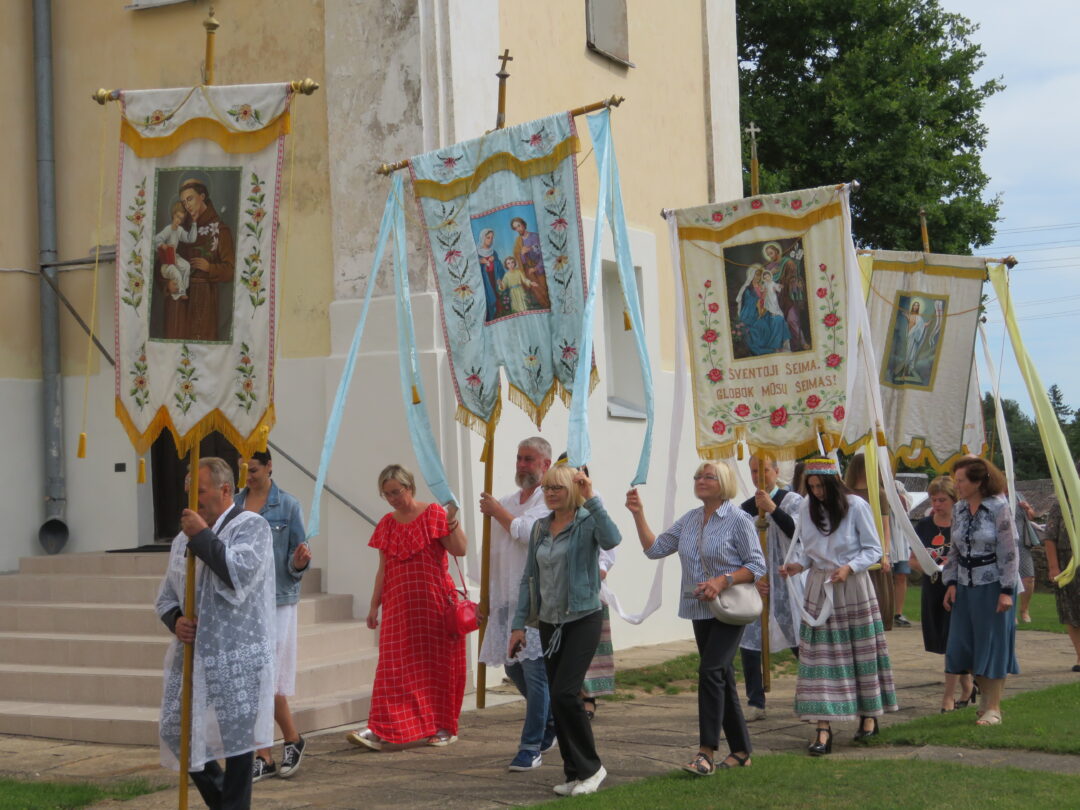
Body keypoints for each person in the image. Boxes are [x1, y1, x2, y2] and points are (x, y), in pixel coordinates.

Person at [625, 462, 765, 776]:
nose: (700, 480)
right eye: (697, 476)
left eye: (708, 476)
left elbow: (757, 566)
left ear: (724, 482)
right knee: (721, 676)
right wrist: (638, 513)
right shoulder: (689, 519)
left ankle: (706, 753)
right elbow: (655, 549)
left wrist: (722, 580)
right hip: (699, 608)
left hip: (730, 608)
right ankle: (741, 751)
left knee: (710, 671)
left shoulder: (739, 520)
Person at [155, 457, 275, 810]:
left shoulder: (251, 526)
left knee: (238, 745)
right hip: (194, 652)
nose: (193, 500)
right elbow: (166, 596)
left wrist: (203, 536)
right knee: (176, 728)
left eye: (200, 491)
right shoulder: (183, 538)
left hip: (237, 651)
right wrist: (176, 619)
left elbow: (238, 574)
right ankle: (224, 802)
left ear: (225, 490)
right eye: (189, 492)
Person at [508, 465, 620, 797]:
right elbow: (529, 578)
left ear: (572, 489)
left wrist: (591, 496)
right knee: (559, 700)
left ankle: (592, 768)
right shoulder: (541, 527)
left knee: (564, 693)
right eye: (547, 488)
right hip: (549, 621)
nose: (551, 493)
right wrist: (518, 625)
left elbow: (612, 539)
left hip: (583, 617)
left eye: (557, 487)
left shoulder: (588, 520)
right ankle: (574, 772)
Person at [780, 457, 898, 755]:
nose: (816, 492)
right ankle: (823, 728)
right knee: (819, 658)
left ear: (833, 483)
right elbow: (810, 551)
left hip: (852, 587)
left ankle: (868, 715)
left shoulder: (856, 505)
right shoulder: (807, 507)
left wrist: (849, 567)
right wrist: (798, 565)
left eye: (821, 486)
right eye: (811, 486)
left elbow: (873, 548)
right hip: (820, 587)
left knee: (859, 651)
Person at [347, 465, 468, 750]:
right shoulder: (387, 524)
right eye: (387, 494)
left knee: (437, 666)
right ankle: (381, 728)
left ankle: (443, 726)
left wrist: (452, 521)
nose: (393, 499)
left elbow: (460, 550)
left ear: (409, 487)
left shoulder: (433, 513)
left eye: (396, 492)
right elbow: (383, 569)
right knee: (391, 668)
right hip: (398, 608)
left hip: (434, 604)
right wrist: (374, 605)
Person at [477, 437, 557, 771]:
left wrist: (497, 512)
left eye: (529, 459)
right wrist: (486, 597)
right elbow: (493, 552)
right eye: (519, 458)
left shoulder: (548, 500)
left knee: (535, 671)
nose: (522, 465)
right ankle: (551, 720)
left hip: (534, 598)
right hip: (505, 598)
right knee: (512, 667)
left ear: (545, 465)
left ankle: (530, 746)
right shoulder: (509, 500)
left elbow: (527, 532)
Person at [235, 450, 312, 782]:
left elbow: (298, 557)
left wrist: (299, 561)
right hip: (245, 601)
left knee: (267, 676)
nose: (248, 476)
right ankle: (288, 741)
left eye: (253, 469)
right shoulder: (235, 504)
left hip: (278, 600)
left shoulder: (288, 505)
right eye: (244, 470)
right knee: (258, 677)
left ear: (269, 466)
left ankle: (265, 753)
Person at [943, 457, 1020, 726]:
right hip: (965, 585)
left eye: (961, 480)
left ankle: (993, 707)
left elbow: (1009, 551)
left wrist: (1007, 590)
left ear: (978, 482)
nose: (956, 485)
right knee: (964, 645)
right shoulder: (959, 508)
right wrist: (951, 583)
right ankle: (986, 700)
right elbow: (954, 549)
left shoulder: (999, 507)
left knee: (992, 644)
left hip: (993, 585)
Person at [738, 455, 802, 721]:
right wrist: (752, 577)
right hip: (758, 581)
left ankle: (811, 691)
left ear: (776, 471)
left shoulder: (793, 501)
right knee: (750, 639)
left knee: (797, 634)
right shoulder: (745, 508)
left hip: (787, 577)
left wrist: (773, 509)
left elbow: (798, 532)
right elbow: (739, 546)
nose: (758, 476)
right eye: (754, 471)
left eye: (763, 470)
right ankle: (756, 700)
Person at [912, 475, 975, 712]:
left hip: (958, 589)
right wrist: (930, 566)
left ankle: (948, 698)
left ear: (954, 499)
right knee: (945, 642)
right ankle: (968, 686)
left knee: (953, 642)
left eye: (942, 500)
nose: (937, 504)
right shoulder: (924, 525)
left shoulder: (963, 523)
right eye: (933, 500)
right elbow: (912, 560)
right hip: (933, 587)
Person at [161, 178, 235, 341]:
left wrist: (210, 268)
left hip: (203, 301)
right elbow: (163, 263)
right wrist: (168, 284)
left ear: (202, 196)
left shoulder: (220, 230)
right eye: (184, 202)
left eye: (190, 198)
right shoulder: (179, 228)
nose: (187, 205)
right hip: (177, 305)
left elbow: (230, 270)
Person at [843, 453, 896, 629]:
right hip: (852, 552)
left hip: (873, 551)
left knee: (877, 595)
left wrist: (885, 554)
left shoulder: (879, 494)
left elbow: (885, 527)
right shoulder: (845, 494)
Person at [1043, 460, 1080, 671]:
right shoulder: (1061, 506)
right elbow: (1050, 537)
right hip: (1068, 564)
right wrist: (1053, 567)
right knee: (1071, 611)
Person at [734, 264, 790, 356]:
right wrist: (760, 302)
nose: (758, 277)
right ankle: (771, 348)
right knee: (763, 326)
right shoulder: (748, 289)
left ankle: (778, 346)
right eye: (756, 275)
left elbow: (771, 290)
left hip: (765, 312)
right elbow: (749, 304)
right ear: (751, 275)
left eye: (760, 275)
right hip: (752, 315)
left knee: (779, 320)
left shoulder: (763, 285)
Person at [763, 242, 806, 351]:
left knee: (792, 320)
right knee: (781, 324)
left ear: (777, 251)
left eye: (771, 253)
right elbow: (765, 284)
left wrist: (793, 283)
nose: (770, 256)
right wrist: (771, 273)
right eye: (768, 254)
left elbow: (795, 276)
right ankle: (787, 347)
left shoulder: (787, 262)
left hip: (788, 296)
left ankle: (802, 342)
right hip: (776, 300)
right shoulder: (769, 267)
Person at [153, 201, 197, 300]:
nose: (178, 220)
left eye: (181, 218)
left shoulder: (179, 230)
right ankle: (180, 293)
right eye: (177, 217)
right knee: (176, 272)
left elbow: (190, 239)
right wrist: (162, 245)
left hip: (174, 257)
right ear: (173, 215)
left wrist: (194, 224)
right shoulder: (168, 229)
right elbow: (156, 240)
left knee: (187, 266)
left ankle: (183, 289)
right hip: (167, 263)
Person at [510, 216, 550, 309]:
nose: (518, 229)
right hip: (529, 272)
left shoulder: (535, 237)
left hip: (540, 270)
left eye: (519, 226)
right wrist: (522, 254)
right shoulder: (518, 242)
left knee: (545, 291)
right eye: (515, 228)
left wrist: (536, 268)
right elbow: (521, 261)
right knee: (538, 294)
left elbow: (544, 255)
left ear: (524, 225)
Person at [1013, 496, 1039, 623]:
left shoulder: (1018, 496)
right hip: (1003, 544)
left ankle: (1024, 610)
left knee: (1029, 578)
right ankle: (1010, 613)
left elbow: (1031, 516)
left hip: (1022, 544)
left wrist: (1028, 508)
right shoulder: (993, 495)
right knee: (1007, 579)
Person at [476, 228, 506, 321]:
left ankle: (499, 315)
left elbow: (500, 267)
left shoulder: (494, 253)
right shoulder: (477, 253)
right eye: (488, 237)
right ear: (482, 238)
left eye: (492, 238)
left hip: (494, 278)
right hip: (485, 281)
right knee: (488, 298)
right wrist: (480, 262)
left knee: (497, 296)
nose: (490, 240)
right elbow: (473, 270)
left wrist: (499, 277)